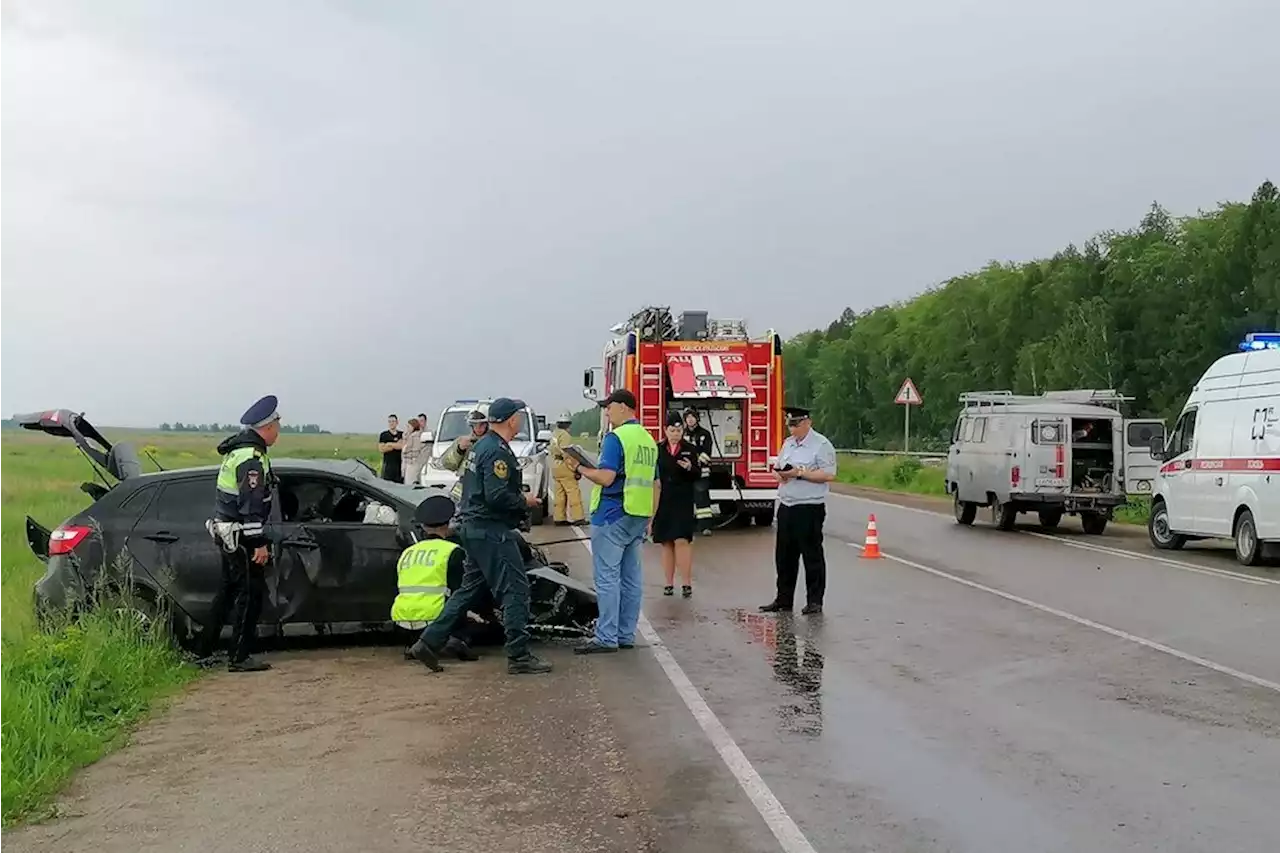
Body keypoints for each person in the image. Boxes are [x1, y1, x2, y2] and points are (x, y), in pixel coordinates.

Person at [407, 398, 552, 675]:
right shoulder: (496, 450)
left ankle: (428, 642)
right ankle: (519, 655)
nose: (520, 420)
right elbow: (496, 495)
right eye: (518, 416)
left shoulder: (483, 446)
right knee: (516, 590)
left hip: (474, 529)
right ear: (511, 420)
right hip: (491, 531)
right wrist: (525, 501)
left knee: (467, 591)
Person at [565, 389, 659, 655]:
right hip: (637, 515)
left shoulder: (615, 438)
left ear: (623, 407)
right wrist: (651, 517)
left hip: (612, 514)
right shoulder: (647, 440)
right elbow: (656, 484)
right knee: (631, 579)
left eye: (609, 407)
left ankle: (606, 637)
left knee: (607, 578)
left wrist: (580, 468)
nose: (606, 412)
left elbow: (606, 478)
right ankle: (625, 634)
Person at [199, 395, 281, 672]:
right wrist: (258, 543)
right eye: (277, 426)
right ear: (267, 427)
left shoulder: (239, 451)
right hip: (242, 536)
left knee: (226, 593)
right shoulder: (251, 458)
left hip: (228, 533)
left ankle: (204, 649)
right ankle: (239, 656)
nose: (278, 431)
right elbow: (251, 505)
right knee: (249, 595)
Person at [759, 406, 837, 616]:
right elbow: (781, 468)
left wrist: (800, 473)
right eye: (789, 424)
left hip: (809, 506)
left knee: (811, 556)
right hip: (787, 504)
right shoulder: (788, 443)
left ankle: (814, 601)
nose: (792, 429)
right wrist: (781, 475)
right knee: (784, 557)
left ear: (807, 423)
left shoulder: (821, 445)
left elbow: (829, 474)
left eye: (795, 424)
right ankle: (783, 599)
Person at [391, 494, 480, 668]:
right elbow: (460, 592)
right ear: (448, 525)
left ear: (423, 527)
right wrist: (473, 613)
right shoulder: (452, 551)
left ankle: (416, 642)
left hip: (402, 621)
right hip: (435, 619)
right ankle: (453, 641)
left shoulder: (408, 552)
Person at [652, 411, 701, 597]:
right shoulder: (658, 449)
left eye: (679, 430)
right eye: (672, 430)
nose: (675, 434)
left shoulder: (690, 449)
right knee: (666, 542)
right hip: (664, 499)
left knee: (682, 540)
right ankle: (668, 583)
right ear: (665, 430)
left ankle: (686, 583)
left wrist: (689, 468)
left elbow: (698, 474)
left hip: (683, 499)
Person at [548, 411, 586, 526]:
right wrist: (575, 468)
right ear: (569, 423)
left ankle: (559, 518)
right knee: (573, 491)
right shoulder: (565, 436)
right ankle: (578, 517)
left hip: (555, 465)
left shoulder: (555, 434)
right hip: (564, 466)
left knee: (559, 493)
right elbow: (567, 453)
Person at [682, 408, 716, 536]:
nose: (690, 420)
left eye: (692, 417)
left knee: (702, 500)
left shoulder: (705, 434)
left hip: (701, 473)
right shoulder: (682, 434)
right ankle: (686, 526)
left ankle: (705, 527)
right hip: (686, 472)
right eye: (688, 417)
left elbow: (706, 453)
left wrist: (695, 463)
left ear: (697, 418)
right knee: (685, 499)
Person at [400, 416, 428, 484]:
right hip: (413, 463)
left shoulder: (414, 436)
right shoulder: (416, 435)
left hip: (411, 463)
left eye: (408, 427)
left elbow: (406, 450)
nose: (407, 429)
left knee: (410, 483)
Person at [378, 414, 405, 483]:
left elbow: (402, 446)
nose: (391, 423)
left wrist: (389, 444)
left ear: (397, 422)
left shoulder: (401, 434)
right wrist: (396, 445)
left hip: (399, 466)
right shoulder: (384, 435)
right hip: (388, 466)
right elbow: (382, 449)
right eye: (389, 421)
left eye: (393, 421)